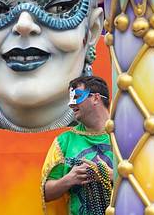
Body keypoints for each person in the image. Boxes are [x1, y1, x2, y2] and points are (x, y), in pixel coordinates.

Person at [41, 75, 113, 215]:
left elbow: (146, 179)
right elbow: (45, 193)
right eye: (70, 98)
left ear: (96, 98)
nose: (71, 104)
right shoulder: (64, 142)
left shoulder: (125, 135)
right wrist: (68, 180)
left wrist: (111, 175)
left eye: (77, 97)